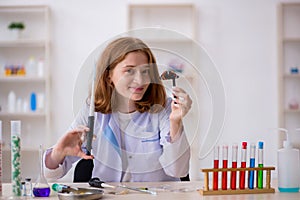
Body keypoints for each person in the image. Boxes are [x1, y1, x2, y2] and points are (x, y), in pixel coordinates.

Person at [44, 37, 192, 182]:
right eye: (129, 71)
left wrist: (175, 122)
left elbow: (178, 171)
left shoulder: (163, 107)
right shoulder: (92, 110)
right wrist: (58, 152)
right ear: (109, 77)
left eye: (145, 71)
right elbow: (51, 174)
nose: (140, 80)